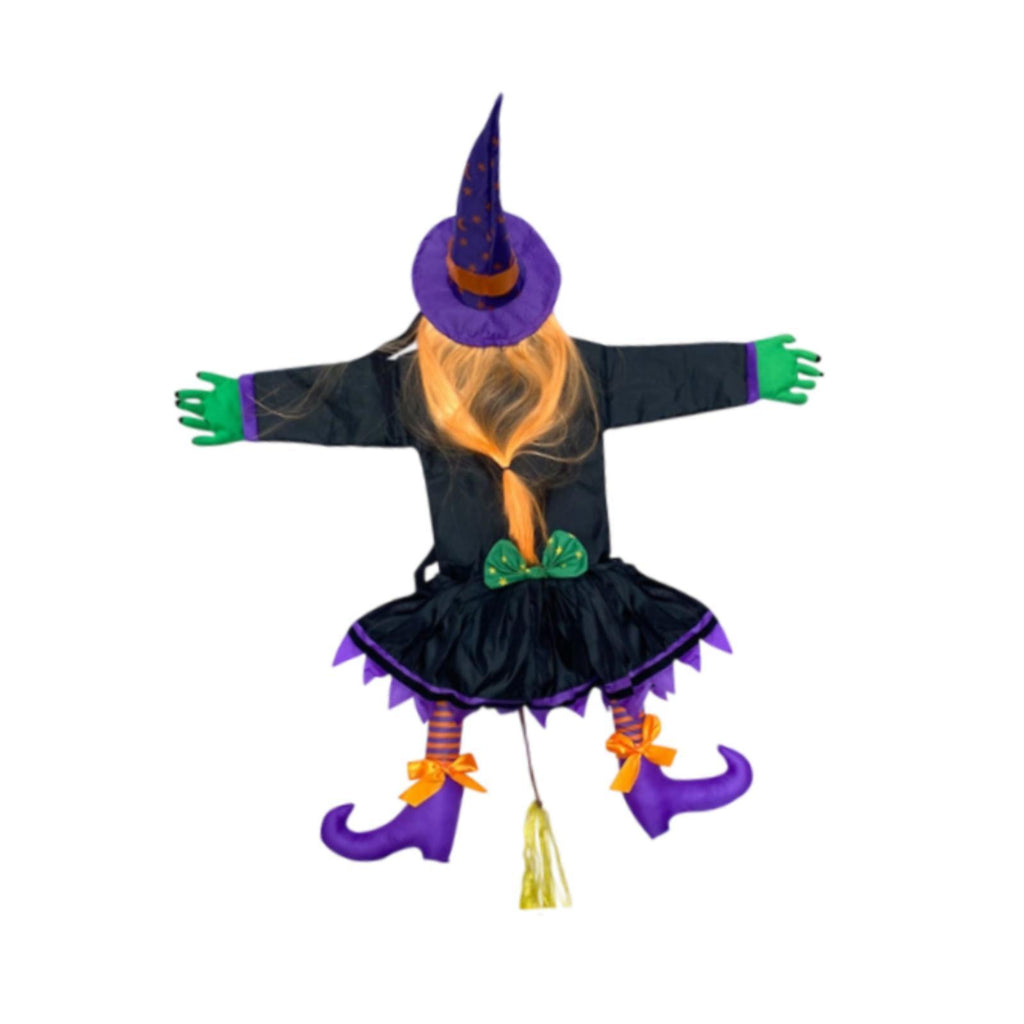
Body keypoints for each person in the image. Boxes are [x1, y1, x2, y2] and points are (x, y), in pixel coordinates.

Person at [174, 95, 822, 898]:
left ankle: (525, 794)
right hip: (552, 581)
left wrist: (749, 369)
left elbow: (670, 375)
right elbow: (336, 399)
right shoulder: (536, 377)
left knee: (467, 666)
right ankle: (555, 791)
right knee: (605, 652)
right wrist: (248, 408)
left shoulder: (439, 385)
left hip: (500, 587)